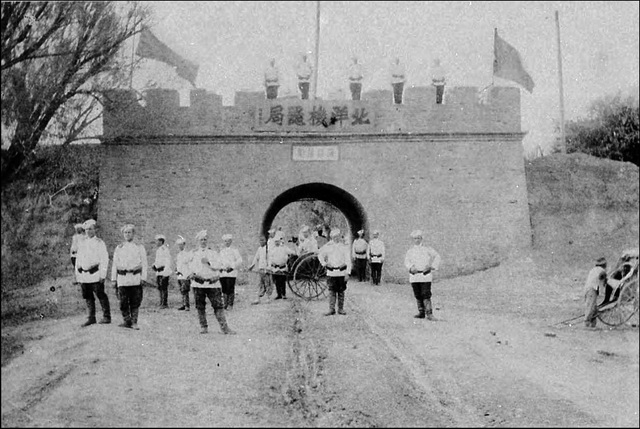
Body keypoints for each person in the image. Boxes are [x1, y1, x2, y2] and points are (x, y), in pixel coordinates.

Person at [188, 230, 235, 335]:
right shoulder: (193, 253)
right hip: (198, 283)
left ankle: (224, 328)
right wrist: (192, 274)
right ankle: (203, 327)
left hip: (212, 283)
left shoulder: (213, 252)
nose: (203, 242)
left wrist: (209, 263)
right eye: (201, 240)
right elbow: (188, 266)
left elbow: (218, 265)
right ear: (198, 241)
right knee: (200, 306)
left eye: (205, 239)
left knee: (218, 305)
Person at [111, 223, 148, 330]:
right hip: (122, 279)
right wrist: (114, 279)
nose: (127, 234)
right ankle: (126, 321)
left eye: (129, 232)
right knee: (123, 302)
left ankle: (134, 322)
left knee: (135, 301)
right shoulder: (119, 248)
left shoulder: (139, 247)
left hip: (135, 278)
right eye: (125, 232)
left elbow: (144, 264)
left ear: (133, 233)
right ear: (123, 234)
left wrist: (143, 278)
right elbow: (114, 264)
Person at [75, 219, 111, 327]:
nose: (88, 231)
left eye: (90, 229)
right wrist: (78, 274)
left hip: (95, 274)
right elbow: (78, 259)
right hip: (84, 275)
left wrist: (102, 275)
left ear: (95, 230)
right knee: (88, 297)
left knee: (100, 295)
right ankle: (91, 317)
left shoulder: (100, 243)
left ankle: (106, 316)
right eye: (86, 229)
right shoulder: (82, 243)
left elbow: (104, 259)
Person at [404, 229, 441, 320]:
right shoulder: (410, 251)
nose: (417, 240)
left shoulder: (427, 249)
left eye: (418, 238)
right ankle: (421, 312)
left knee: (426, 294)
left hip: (425, 276)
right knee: (417, 294)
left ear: (421, 238)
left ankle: (429, 313)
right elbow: (406, 261)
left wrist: (431, 266)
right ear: (413, 239)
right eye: (415, 238)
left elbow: (437, 256)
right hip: (415, 276)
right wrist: (411, 267)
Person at [318, 229, 352, 315]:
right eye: (334, 237)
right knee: (331, 291)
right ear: (332, 237)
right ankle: (331, 309)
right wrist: (324, 264)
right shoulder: (328, 246)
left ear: (340, 237)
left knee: (341, 291)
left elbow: (348, 260)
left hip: (341, 272)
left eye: (337, 237)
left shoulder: (344, 247)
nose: (336, 238)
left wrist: (348, 273)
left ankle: (340, 309)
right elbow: (320, 255)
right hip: (331, 272)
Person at [219, 233, 243, 310]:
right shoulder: (221, 251)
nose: (227, 242)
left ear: (231, 241)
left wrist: (232, 266)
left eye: (228, 241)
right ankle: (225, 303)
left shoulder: (235, 250)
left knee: (230, 288)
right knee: (224, 288)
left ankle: (230, 304)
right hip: (223, 273)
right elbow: (219, 261)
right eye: (225, 241)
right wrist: (222, 267)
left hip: (231, 272)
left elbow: (239, 260)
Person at [583, 257, 609, 328]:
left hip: (587, 289)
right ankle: (587, 322)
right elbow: (601, 277)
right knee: (591, 306)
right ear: (604, 265)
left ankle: (593, 324)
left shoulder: (593, 270)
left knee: (592, 305)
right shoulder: (601, 270)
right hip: (592, 289)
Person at [248, 235, 273, 305]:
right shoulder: (259, 249)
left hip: (266, 269)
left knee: (267, 283)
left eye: (263, 240)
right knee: (260, 284)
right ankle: (258, 298)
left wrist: (268, 268)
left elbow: (270, 259)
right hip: (260, 269)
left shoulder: (268, 249)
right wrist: (251, 266)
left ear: (266, 241)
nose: (261, 242)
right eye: (260, 240)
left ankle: (268, 298)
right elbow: (256, 258)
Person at [269, 231, 294, 299]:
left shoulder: (284, 247)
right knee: (276, 282)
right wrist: (271, 263)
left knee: (282, 281)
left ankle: (283, 294)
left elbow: (291, 252)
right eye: (275, 241)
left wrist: (292, 254)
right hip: (275, 267)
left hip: (282, 267)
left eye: (278, 241)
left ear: (280, 241)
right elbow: (270, 257)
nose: (277, 242)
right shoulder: (272, 249)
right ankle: (279, 294)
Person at [152, 234, 172, 309]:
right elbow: (158, 261)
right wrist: (154, 265)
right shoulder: (159, 250)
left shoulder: (165, 250)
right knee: (160, 287)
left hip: (164, 271)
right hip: (159, 271)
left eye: (157, 241)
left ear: (161, 241)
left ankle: (164, 303)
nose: (156, 242)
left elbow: (167, 262)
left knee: (164, 287)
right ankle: (161, 302)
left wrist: (165, 273)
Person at [175, 235, 192, 311]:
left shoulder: (187, 254)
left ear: (184, 245)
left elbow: (189, 264)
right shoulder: (179, 254)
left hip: (185, 274)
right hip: (180, 275)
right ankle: (183, 304)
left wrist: (188, 274)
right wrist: (177, 271)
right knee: (182, 290)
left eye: (181, 245)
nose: (180, 246)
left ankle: (187, 305)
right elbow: (178, 264)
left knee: (185, 290)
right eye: (178, 245)